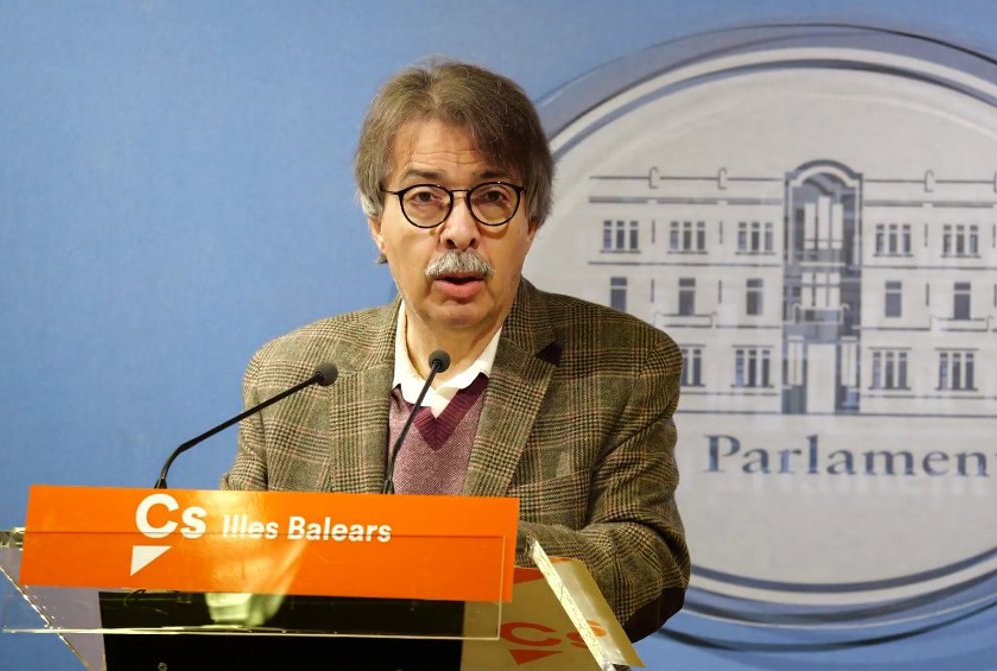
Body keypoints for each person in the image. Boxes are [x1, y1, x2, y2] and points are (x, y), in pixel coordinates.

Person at [222, 58, 689, 641]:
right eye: (424, 197)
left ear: (532, 222)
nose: (460, 230)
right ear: (377, 224)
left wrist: (453, 547)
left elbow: (648, 564)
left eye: (491, 197)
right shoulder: (288, 375)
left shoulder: (624, 363)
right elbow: (227, 572)